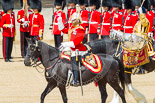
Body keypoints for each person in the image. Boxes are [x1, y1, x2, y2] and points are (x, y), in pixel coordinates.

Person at [58, 4, 87, 86]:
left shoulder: (81, 29)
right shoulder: (73, 28)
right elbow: (63, 30)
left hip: (79, 49)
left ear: (78, 20)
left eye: (73, 20)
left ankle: (76, 80)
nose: (72, 21)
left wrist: (65, 44)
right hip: (72, 48)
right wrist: (60, 21)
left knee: (74, 61)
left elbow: (76, 42)